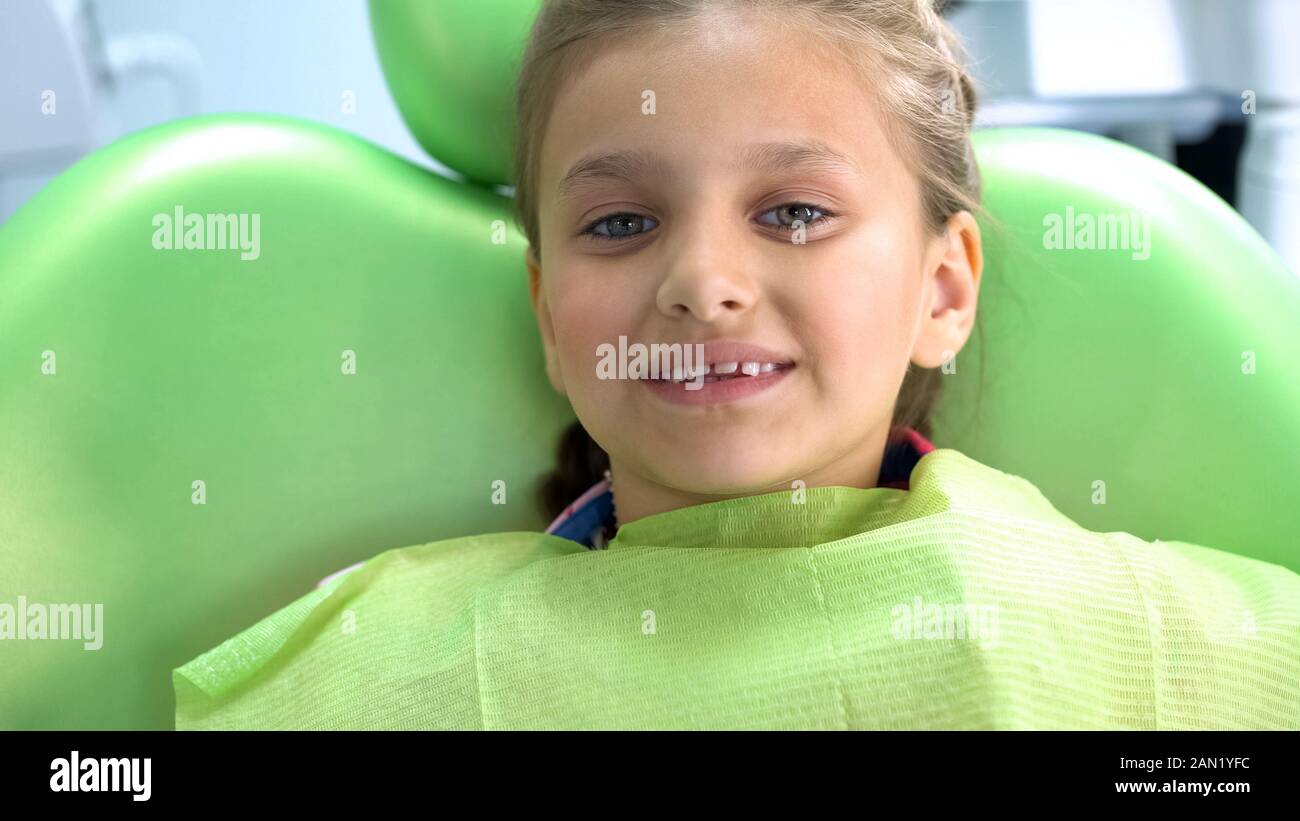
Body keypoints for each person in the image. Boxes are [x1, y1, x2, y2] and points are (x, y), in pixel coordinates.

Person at [173, 0, 1300, 730]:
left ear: (943, 288)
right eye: (619, 224)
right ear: (549, 320)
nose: (701, 281)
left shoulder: (1155, 639)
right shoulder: (381, 678)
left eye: (796, 211)